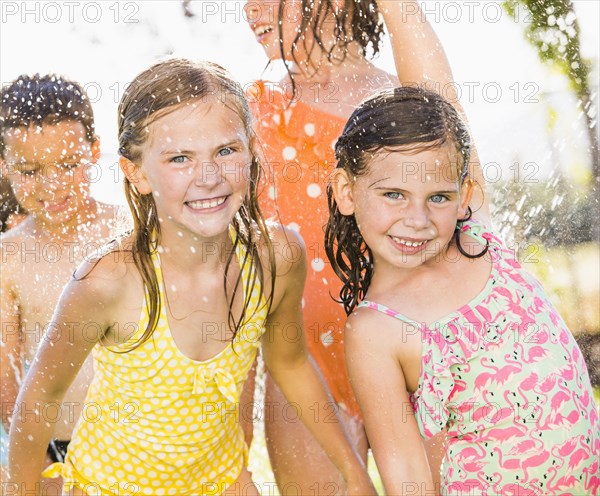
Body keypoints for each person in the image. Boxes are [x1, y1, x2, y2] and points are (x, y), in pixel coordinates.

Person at [7, 58, 375, 496]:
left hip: (219, 482)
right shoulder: (108, 281)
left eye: (225, 150)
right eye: (180, 158)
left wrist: (353, 474)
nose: (208, 177)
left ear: (252, 152)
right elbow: (39, 399)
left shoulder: (277, 258)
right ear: (137, 173)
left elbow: (291, 362)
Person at [325, 86, 600, 495]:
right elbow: (405, 470)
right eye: (394, 195)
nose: (418, 219)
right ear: (347, 192)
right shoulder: (376, 329)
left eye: (438, 197)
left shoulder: (479, 241)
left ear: (465, 196)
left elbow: (438, 79)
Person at [243, 0, 455, 489]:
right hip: (301, 360)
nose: (249, 9)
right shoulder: (252, 109)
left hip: (410, 354)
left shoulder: (400, 101)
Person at [0, 74, 119, 488]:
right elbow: (7, 377)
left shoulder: (130, 231)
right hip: (57, 448)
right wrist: (38, 466)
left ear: (94, 150)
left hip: (142, 439)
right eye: (30, 170)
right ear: (4, 166)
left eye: (68, 165)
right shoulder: (9, 257)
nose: (51, 184)